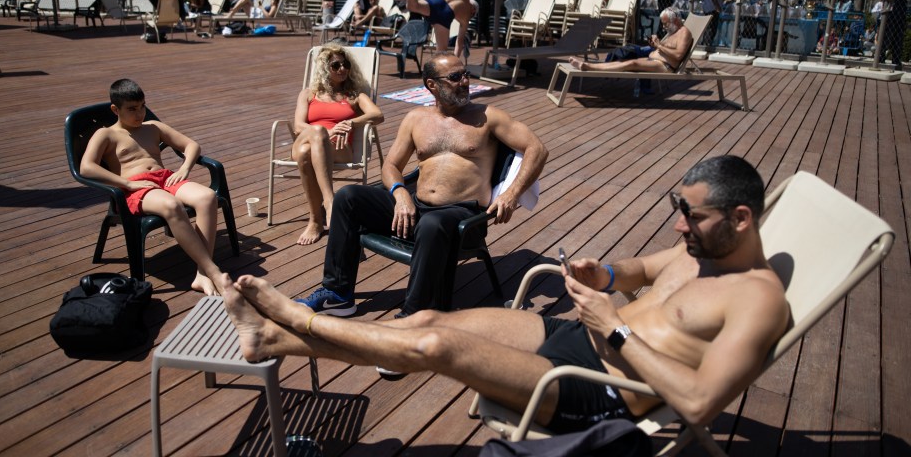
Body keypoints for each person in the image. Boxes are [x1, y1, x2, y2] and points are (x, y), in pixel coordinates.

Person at [222, 155, 789, 433]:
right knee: (427, 320)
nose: (679, 227)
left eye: (692, 216)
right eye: (677, 211)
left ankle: (294, 324)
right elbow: (641, 268)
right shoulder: (698, 253)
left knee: (437, 349)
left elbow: (697, 403)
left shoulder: (759, 301)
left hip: (601, 390)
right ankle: (271, 337)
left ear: (741, 219)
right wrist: (606, 275)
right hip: (581, 337)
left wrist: (614, 325)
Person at [295, 53, 547, 317]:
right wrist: (400, 192)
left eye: (465, 75)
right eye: (454, 77)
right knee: (348, 197)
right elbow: (391, 166)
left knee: (431, 224)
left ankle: (413, 317)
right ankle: (337, 295)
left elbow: (537, 149)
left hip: (462, 219)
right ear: (432, 85)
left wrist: (510, 194)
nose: (464, 82)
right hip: (415, 209)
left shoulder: (488, 117)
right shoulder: (416, 118)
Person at [79, 79, 225, 295]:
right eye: (131, 109)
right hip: (136, 188)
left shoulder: (153, 127)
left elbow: (191, 145)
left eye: (142, 106)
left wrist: (184, 168)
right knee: (172, 205)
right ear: (115, 109)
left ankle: (202, 274)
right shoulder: (106, 134)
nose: (139, 114)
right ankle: (213, 271)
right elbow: (86, 167)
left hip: (165, 179)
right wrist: (127, 182)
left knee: (207, 197)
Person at [290, 44, 384, 247]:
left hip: (339, 150)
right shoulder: (308, 94)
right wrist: (326, 132)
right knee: (316, 132)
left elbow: (378, 115)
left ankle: (315, 221)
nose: (342, 69)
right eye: (336, 65)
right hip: (306, 140)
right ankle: (329, 202)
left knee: (307, 152)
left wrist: (352, 123)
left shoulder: (354, 95)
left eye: (345, 64)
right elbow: (298, 126)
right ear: (325, 68)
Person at [568, 7, 692, 74]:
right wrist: (656, 43)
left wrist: (659, 45)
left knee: (631, 64)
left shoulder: (684, 33)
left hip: (665, 66)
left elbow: (678, 55)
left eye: (666, 24)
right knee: (623, 61)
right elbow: (667, 48)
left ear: (675, 20)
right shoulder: (673, 31)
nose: (664, 27)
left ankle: (588, 67)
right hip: (654, 59)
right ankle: (591, 65)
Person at [882, 0, 908, 71]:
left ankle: (896, 59)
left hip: (900, 19)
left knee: (898, 40)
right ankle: (881, 56)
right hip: (892, 18)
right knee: (887, 39)